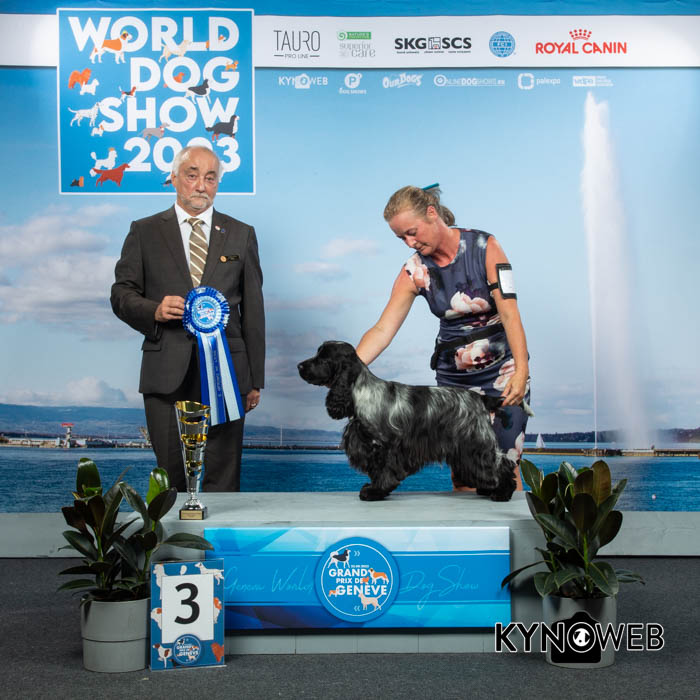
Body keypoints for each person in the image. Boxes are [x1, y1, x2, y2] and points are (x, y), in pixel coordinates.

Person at [110, 145, 265, 491]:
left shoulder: (242, 234)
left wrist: (255, 379)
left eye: (210, 178)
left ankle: (219, 530)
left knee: (223, 477)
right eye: (192, 175)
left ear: (217, 184)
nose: (201, 186)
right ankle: (172, 530)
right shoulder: (144, 231)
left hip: (229, 374)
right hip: (165, 371)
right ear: (174, 178)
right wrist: (154, 310)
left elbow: (254, 312)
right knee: (170, 479)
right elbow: (120, 295)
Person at [356, 185, 530, 490]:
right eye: (401, 238)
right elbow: (383, 329)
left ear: (431, 213)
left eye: (412, 232)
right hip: (453, 381)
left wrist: (521, 370)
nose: (410, 243)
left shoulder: (485, 247)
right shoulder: (414, 271)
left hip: (503, 373)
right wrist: (350, 368)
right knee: (464, 473)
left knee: (505, 463)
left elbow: (509, 312)